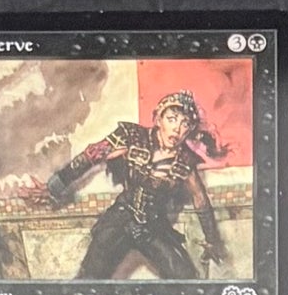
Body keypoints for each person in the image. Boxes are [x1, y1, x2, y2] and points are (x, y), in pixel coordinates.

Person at [44, 88, 226, 281]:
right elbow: (92, 155)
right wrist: (55, 185)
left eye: (185, 124)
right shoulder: (132, 136)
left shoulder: (185, 161)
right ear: (158, 119)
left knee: (185, 277)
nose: (177, 129)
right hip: (120, 218)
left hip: (152, 226)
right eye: (172, 119)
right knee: (89, 277)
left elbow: (200, 199)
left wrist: (212, 240)